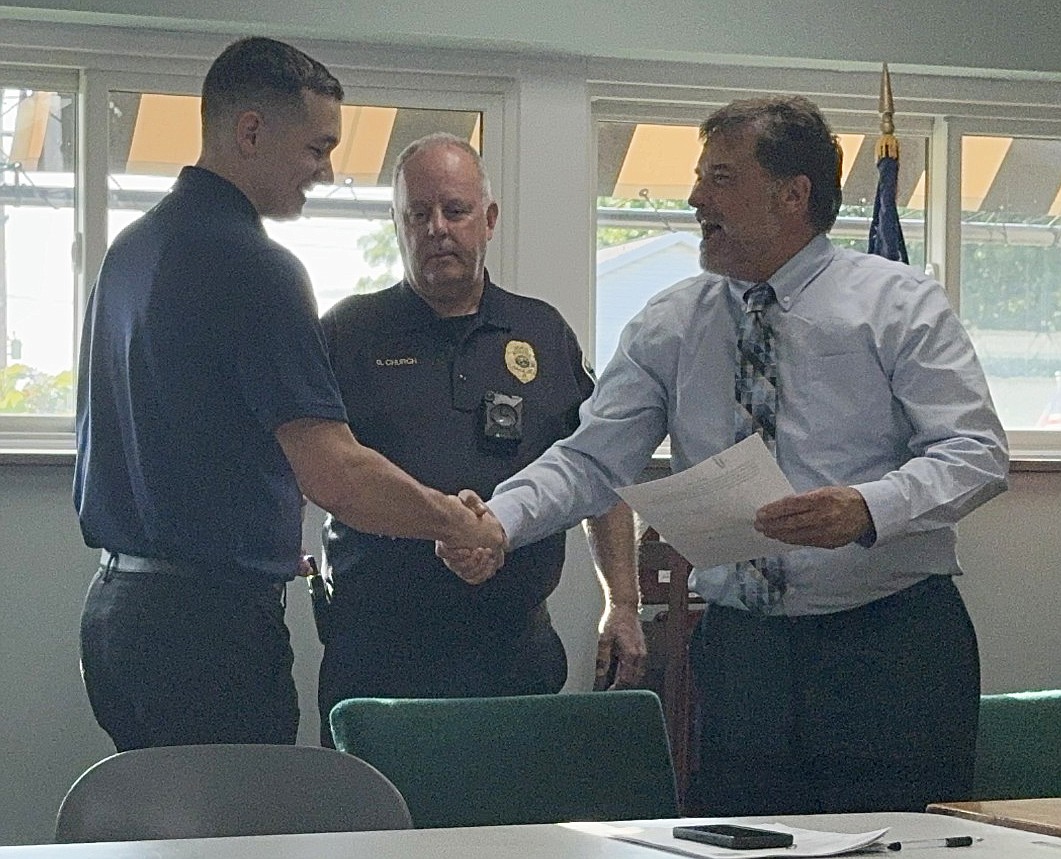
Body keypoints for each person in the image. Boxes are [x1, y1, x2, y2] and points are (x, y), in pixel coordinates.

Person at [440, 96, 1009, 814]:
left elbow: (976, 450)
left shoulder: (898, 304)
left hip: (888, 646)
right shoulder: (671, 322)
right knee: (740, 839)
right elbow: (589, 459)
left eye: (720, 176)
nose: (694, 197)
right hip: (744, 654)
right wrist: (498, 518)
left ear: (792, 195)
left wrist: (867, 506)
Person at [74, 38, 503, 752]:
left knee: (159, 826)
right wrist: (457, 524)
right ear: (250, 132)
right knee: (241, 833)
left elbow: (177, 436)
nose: (327, 172)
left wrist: (259, 529)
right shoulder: (257, 267)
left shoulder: (133, 247)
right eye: (317, 147)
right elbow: (336, 471)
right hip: (207, 630)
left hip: (121, 612)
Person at [315, 133, 645, 743]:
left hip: (515, 651)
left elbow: (602, 472)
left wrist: (621, 602)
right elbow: (308, 464)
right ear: (398, 224)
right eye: (419, 214)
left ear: (488, 219)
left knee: (515, 833)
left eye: (456, 210)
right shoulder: (347, 333)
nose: (437, 228)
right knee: (380, 834)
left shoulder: (543, 332)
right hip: (379, 658)